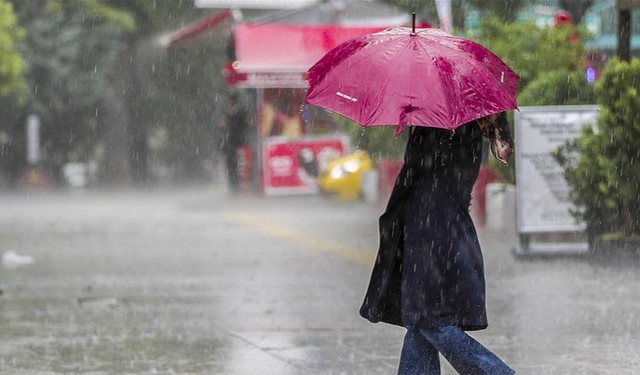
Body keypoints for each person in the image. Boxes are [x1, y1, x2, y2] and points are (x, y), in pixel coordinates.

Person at [359, 112, 515, 375]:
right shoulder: (475, 116)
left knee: (428, 317)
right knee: (419, 317)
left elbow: (421, 172)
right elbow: (498, 151)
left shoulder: (435, 117)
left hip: (428, 223)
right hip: (447, 222)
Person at [219, 92, 249, 194]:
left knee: (237, 165)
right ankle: (233, 187)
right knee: (231, 166)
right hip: (231, 143)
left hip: (237, 142)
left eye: (231, 100)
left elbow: (242, 125)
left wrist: (228, 126)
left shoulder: (239, 111)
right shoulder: (229, 112)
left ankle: (237, 188)